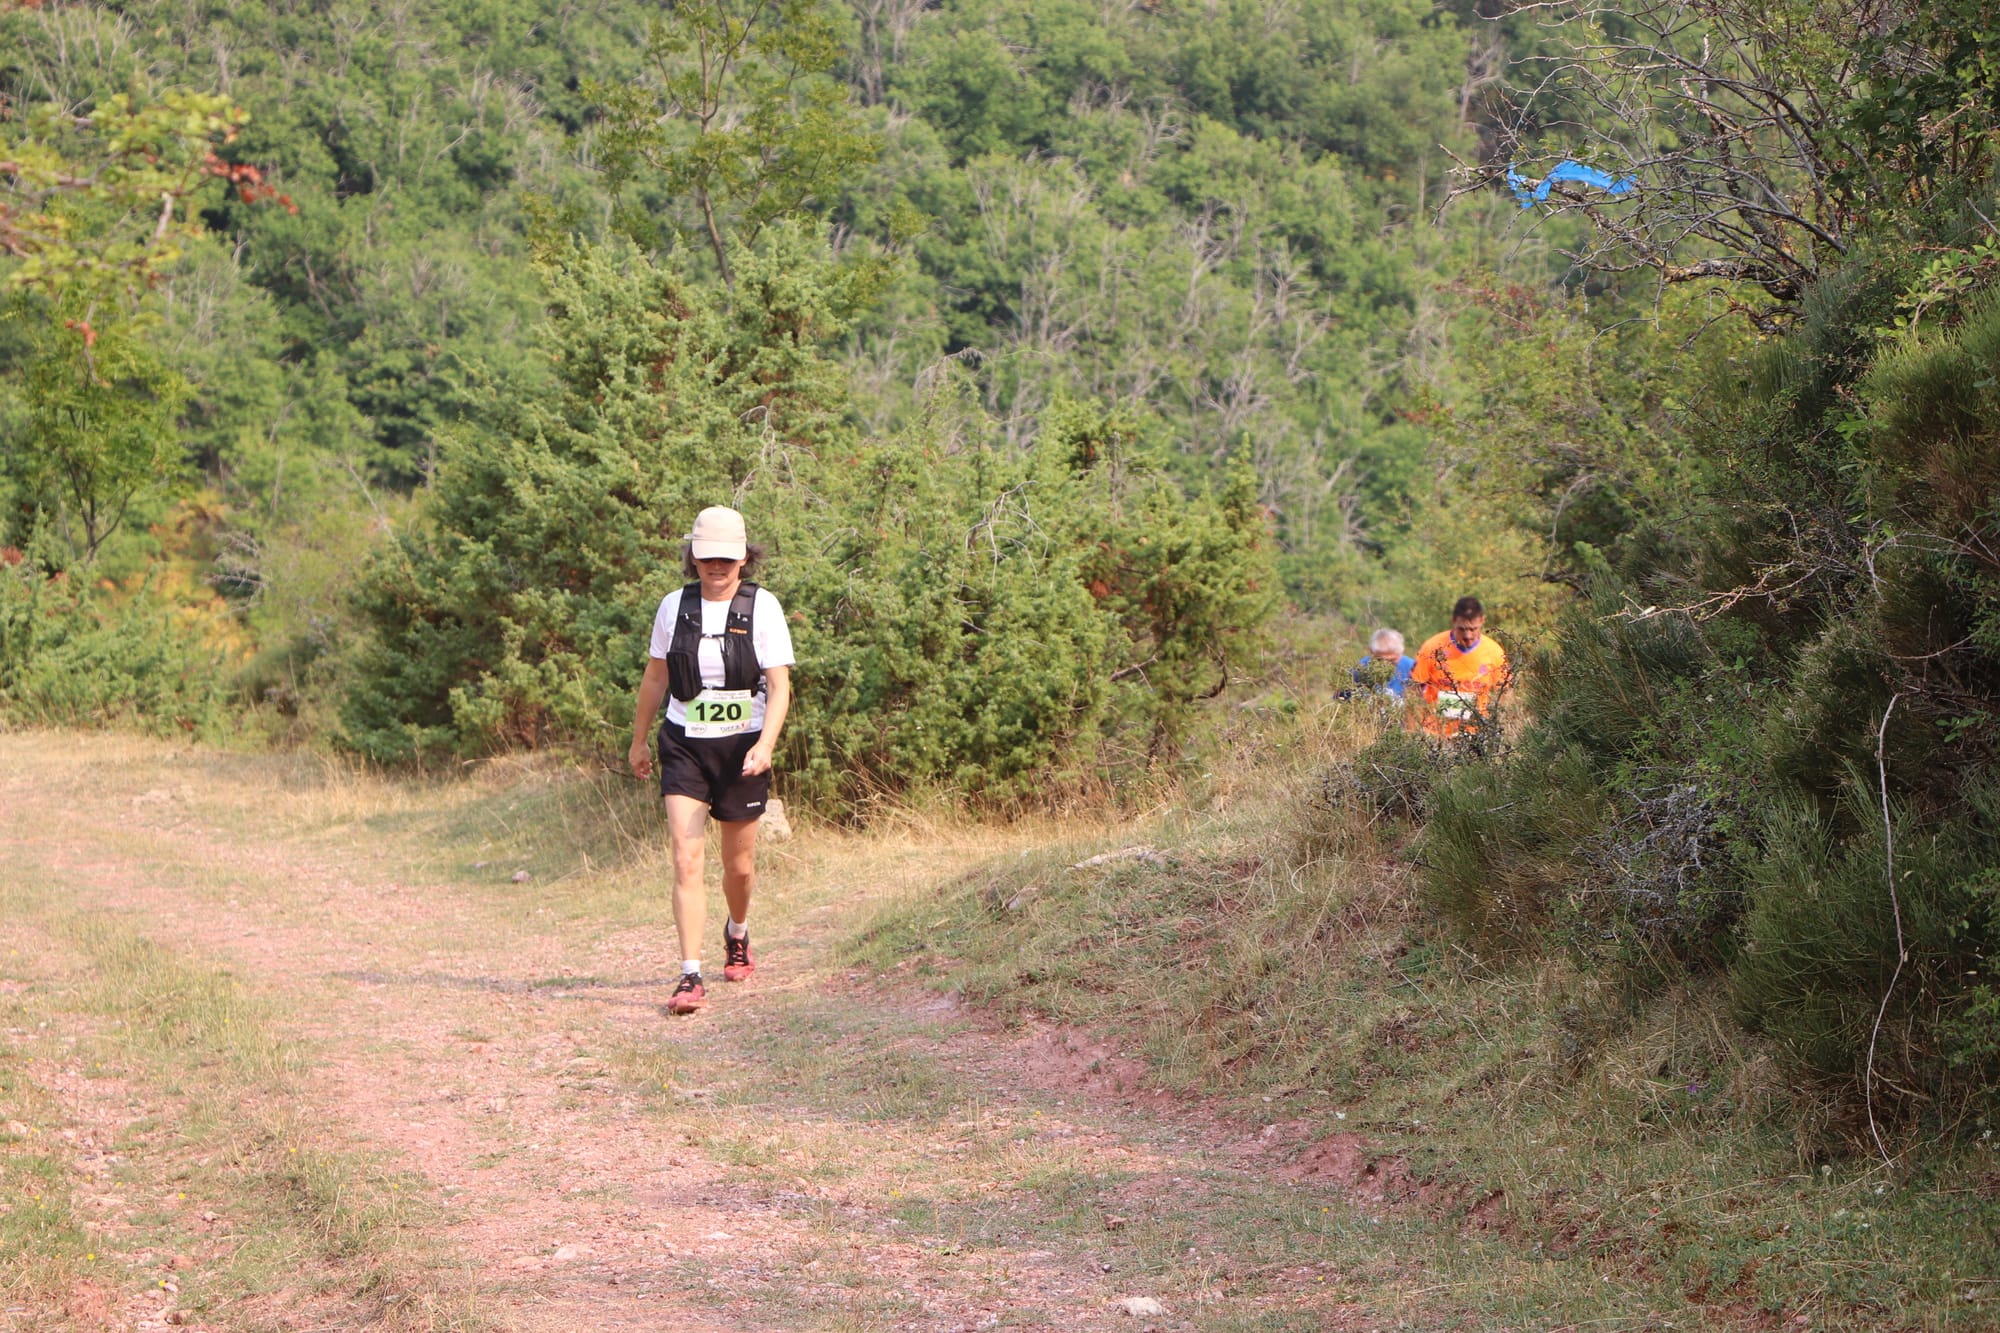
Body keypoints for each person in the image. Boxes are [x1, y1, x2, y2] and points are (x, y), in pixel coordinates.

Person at [628, 506, 795, 1016]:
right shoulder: (672, 608)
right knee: (686, 856)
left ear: (744, 557)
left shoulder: (763, 607)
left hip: (742, 749)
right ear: (693, 558)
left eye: (726, 558)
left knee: (738, 867)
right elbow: (656, 678)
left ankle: (737, 932)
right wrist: (638, 742)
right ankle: (689, 973)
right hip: (685, 743)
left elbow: (780, 685)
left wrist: (765, 745)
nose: (716, 567)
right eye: (706, 559)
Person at [1409, 596, 1509, 738]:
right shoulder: (1432, 648)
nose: (1468, 635)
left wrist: (1498, 726)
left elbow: (1505, 693)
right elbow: (1413, 688)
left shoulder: (1494, 652)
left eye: (1473, 629)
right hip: (1436, 734)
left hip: (1477, 734)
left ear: (1482, 621)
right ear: (1453, 621)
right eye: (1462, 629)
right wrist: (1412, 731)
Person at [1351, 627, 1416, 698]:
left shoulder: (1412, 668)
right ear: (1371, 651)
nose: (1386, 664)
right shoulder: (1360, 669)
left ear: (1401, 653)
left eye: (1392, 660)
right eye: (1380, 660)